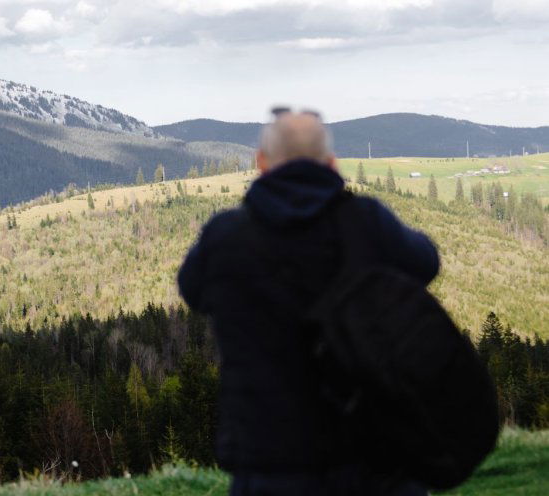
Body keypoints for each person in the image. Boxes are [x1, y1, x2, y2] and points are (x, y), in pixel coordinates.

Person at [177, 108, 438, 495]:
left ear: (261, 163)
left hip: (267, 459)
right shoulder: (366, 222)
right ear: (331, 164)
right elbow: (426, 263)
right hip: (373, 456)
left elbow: (192, 290)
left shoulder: (226, 237)